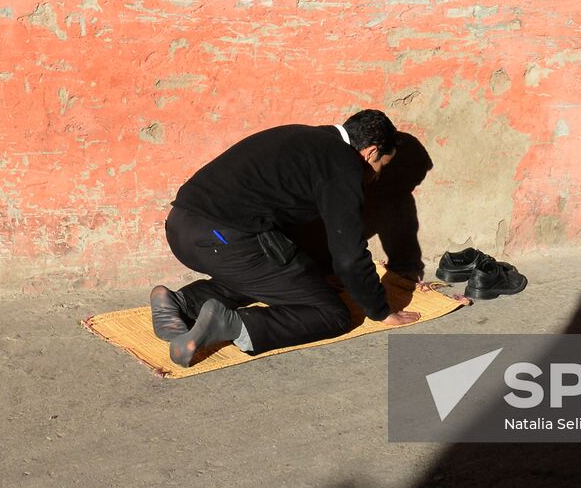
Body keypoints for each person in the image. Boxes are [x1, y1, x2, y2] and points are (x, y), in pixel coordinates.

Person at [151, 109, 420, 366]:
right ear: (371, 151)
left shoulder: (306, 138)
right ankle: (231, 324)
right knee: (332, 314)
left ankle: (181, 302)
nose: (377, 176)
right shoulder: (343, 163)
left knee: (265, 277)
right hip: (222, 237)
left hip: (181, 227)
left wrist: (317, 276)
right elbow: (349, 255)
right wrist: (381, 310)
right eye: (382, 165)